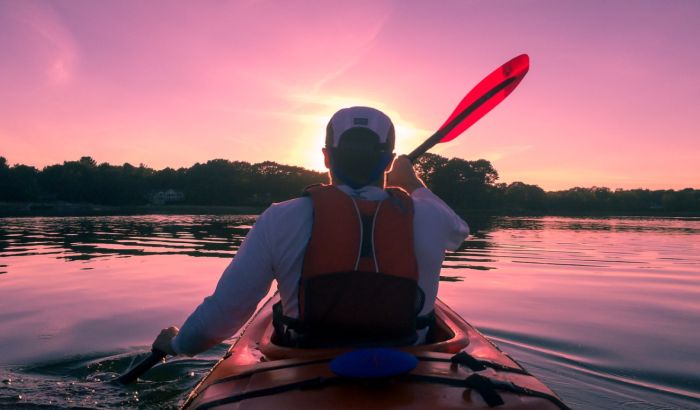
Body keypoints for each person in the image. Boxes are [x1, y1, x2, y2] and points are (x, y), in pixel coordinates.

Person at [153, 106, 469, 355]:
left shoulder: (280, 217)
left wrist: (178, 345)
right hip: (409, 364)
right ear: (388, 161)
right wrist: (411, 182)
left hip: (306, 361)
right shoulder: (432, 217)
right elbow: (460, 231)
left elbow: (225, 313)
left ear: (326, 157)